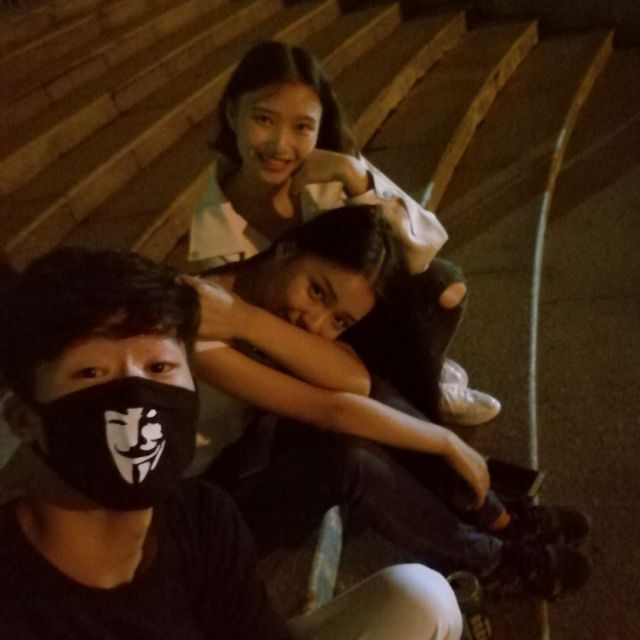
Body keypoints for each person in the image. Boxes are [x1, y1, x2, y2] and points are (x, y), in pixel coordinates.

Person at [0, 247, 464, 640]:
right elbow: (334, 408)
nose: (136, 399)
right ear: (24, 419)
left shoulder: (203, 519)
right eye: (90, 373)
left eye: (159, 369)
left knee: (421, 598)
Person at [185, 205, 593, 600]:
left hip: (240, 456)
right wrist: (446, 441)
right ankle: (494, 561)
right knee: (345, 461)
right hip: (190, 522)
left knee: (378, 391)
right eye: (317, 291)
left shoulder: (253, 303)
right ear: (287, 248)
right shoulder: (196, 315)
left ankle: (498, 518)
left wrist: (248, 321)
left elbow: (355, 380)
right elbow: (331, 410)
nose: (315, 322)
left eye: (340, 321)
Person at [185, 40, 500, 427]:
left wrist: (356, 177)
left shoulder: (330, 171)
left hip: (345, 317)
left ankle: (427, 381)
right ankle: (414, 390)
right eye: (264, 119)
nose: (281, 144)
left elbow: (422, 248)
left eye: (302, 127)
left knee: (442, 284)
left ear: (320, 127)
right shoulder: (214, 228)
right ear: (233, 113)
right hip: (292, 340)